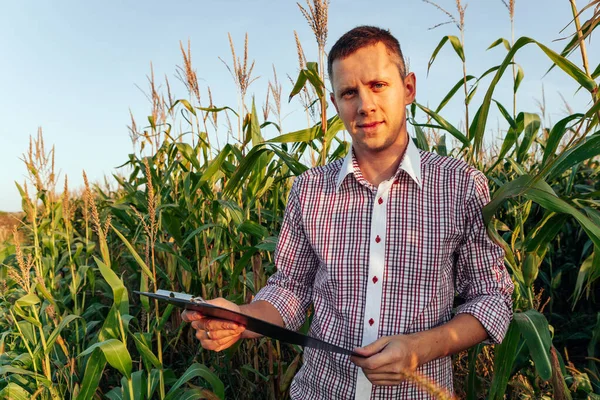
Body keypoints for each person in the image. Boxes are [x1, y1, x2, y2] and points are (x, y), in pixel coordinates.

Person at [182, 25, 514, 399]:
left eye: (378, 85)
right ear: (336, 103)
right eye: (349, 93)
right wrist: (240, 317)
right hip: (320, 390)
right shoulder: (309, 189)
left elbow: (492, 299)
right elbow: (290, 290)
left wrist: (420, 348)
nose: (365, 105)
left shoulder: (460, 185)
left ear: (408, 89)